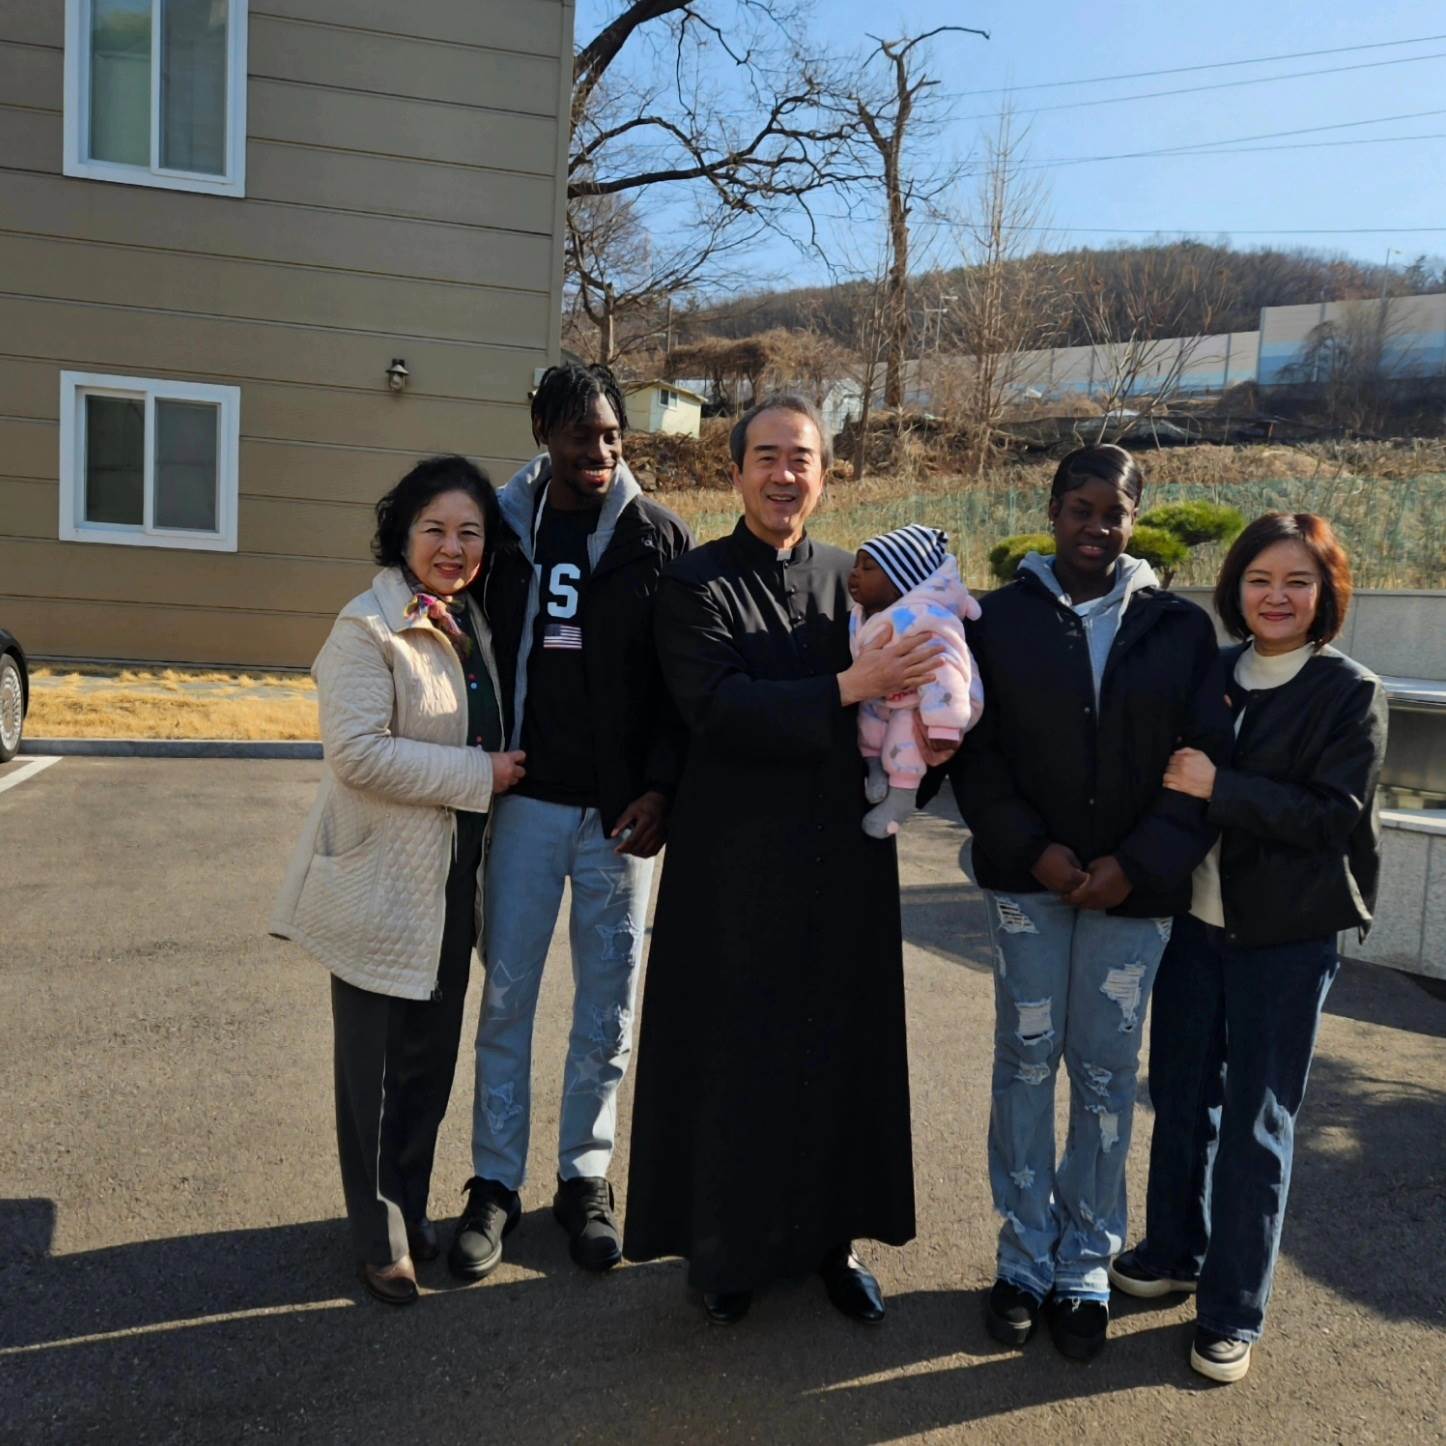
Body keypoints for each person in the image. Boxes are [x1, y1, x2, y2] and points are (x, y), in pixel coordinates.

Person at [624, 394, 950, 1327]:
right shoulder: (694, 584)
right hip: (732, 864)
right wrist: (851, 684)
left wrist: (924, 747)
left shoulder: (859, 577)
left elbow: (921, 688)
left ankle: (831, 1245)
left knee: (837, 1050)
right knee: (736, 1058)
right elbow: (716, 707)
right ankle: (727, 1252)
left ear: (825, 475)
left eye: (801, 458)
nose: (784, 474)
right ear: (735, 472)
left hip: (844, 861)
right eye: (765, 456)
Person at [935, 443, 1230, 1361]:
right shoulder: (998, 621)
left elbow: (1199, 765)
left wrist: (1133, 865)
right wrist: (1036, 850)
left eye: (1116, 513)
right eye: (1081, 509)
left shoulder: (1179, 630)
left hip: (1132, 897)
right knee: (1026, 1061)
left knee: (1105, 1075)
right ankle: (1024, 1258)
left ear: (1136, 520)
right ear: (1053, 510)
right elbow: (975, 755)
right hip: (1029, 887)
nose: (1097, 527)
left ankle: (1085, 1266)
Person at [1110, 513, 1387, 1384]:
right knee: (1181, 1097)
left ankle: (1233, 1309)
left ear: (1326, 594)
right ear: (1235, 588)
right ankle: (1172, 1251)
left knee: (1257, 1125)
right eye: (1261, 579)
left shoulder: (1349, 691)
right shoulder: (1218, 672)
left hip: (1287, 939)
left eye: (1298, 581)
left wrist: (1219, 785)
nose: (1277, 596)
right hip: (1197, 925)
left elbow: (1332, 817)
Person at [449, 363, 692, 1281]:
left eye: (612, 436)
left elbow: (681, 684)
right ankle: (495, 1183)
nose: (600, 451)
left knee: (608, 1008)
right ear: (542, 432)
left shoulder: (658, 536)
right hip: (525, 805)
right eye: (581, 434)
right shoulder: (501, 532)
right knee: (506, 999)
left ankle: (585, 1179)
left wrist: (661, 789)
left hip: (620, 821)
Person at [271, 455, 525, 1306]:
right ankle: (380, 1238)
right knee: (374, 1079)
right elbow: (356, 753)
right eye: (435, 530)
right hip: (380, 886)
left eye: (469, 533)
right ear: (403, 533)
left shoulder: (471, 622)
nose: (453, 548)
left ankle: (410, 1207)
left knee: (428, 1067)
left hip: (452, 887)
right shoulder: (366, 627)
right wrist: (480, 774)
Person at [847, 524, 983, 837]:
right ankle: (875, 767)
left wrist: (943, 726)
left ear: (900, 584)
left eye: (868, 567)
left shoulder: (925, 621)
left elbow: (944, 670)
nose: (854, 573)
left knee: (903, 736)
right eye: (855, 564)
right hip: (888, 695)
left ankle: (901, 798)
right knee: (867, 719)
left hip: (933, 705)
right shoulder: (865, 613)